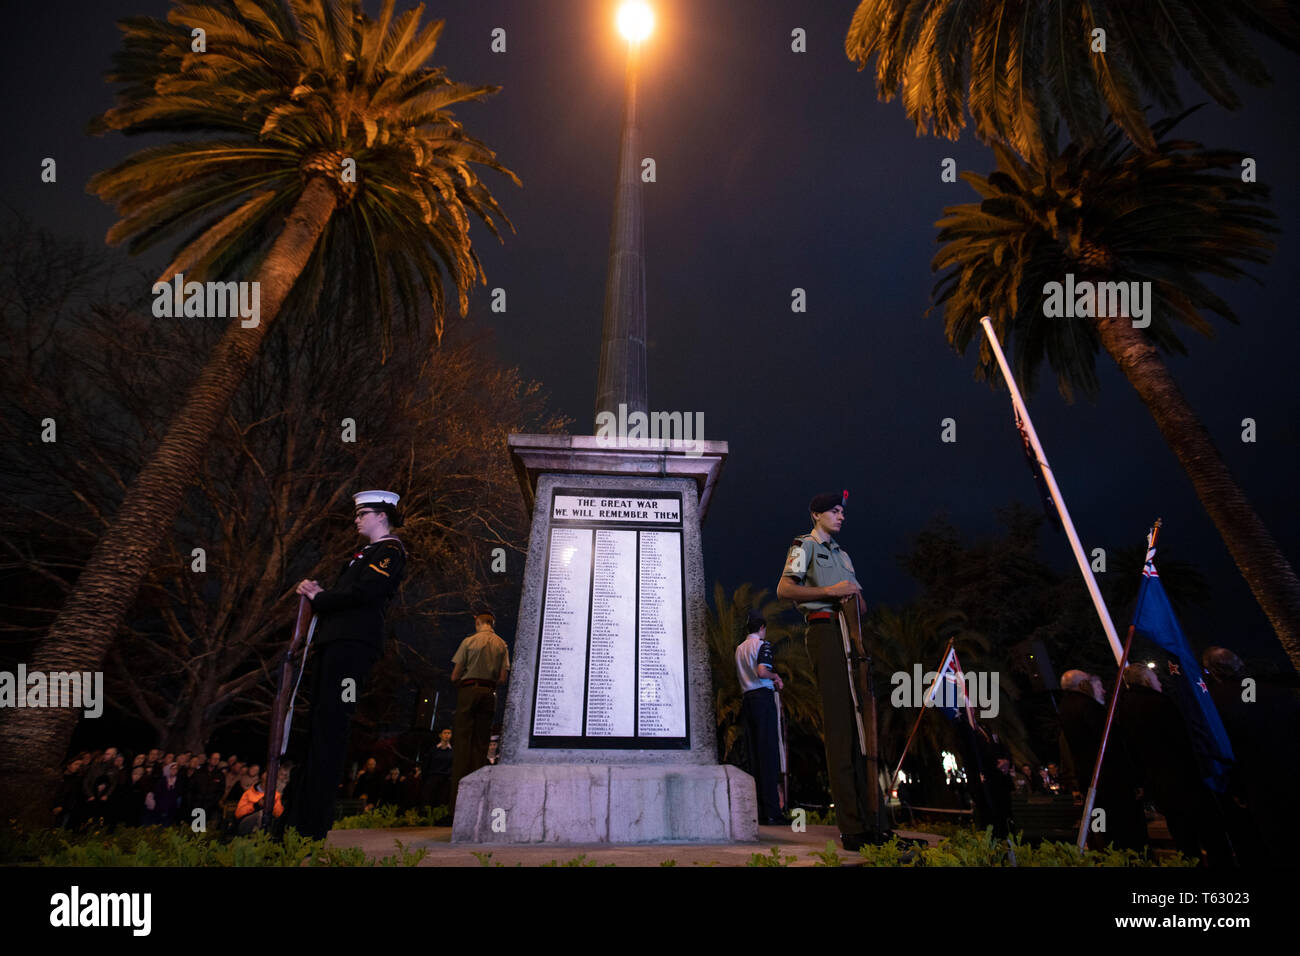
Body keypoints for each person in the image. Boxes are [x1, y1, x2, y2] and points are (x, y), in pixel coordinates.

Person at [286, 489, 407, 840]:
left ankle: (310, 825)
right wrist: (318, 593)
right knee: (317, 729)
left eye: (362, 513)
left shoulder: (390, 551)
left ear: (381, 515)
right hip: (334, 642)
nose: (356, 519)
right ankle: (296, 818)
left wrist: (320, 597)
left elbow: (364, 594)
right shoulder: (364, 553)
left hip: (352, 645)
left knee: (331, 730)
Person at [776, 490, 884, 851]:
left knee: (859, 728)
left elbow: (860, 603)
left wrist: (854, 595)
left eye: (843, 511)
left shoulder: (844, 555)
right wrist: (831, 591)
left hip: (852, 637)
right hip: (824, 631)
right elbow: (784, 588)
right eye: (834, 511)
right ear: (816, 514)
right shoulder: (802, 545)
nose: (841, 516)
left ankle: (873, 820)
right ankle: (852, 828)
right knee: (840, 726)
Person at [1056, 669, 1146, 852]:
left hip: (1090, 785)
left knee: (1104, 833)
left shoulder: (1065, 709)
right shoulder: (1088, 706)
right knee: (1125, 835)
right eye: (1090, 681)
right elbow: (1112, 744)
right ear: (1082, 685)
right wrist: (1134, 778)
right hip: (1112, 783)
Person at [449, 608, 510, 815]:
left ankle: (455, 807)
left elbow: (454, 675)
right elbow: (503, 678)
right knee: (481, 745)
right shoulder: (502, 644)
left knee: (462, 744)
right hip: (489, 692)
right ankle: (475, 806)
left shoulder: (469, 641)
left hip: (468, 690)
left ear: (477, 621)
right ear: (492, 623)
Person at [734, 609, 786, 825]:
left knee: (755, 755)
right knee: (769, 754)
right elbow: (762, 670)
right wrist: (776, 677)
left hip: (747, 700)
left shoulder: (739, 649)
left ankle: (761, 812)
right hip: (763, 699)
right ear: (762, 627)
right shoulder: (762, 645)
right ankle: (773, 812)